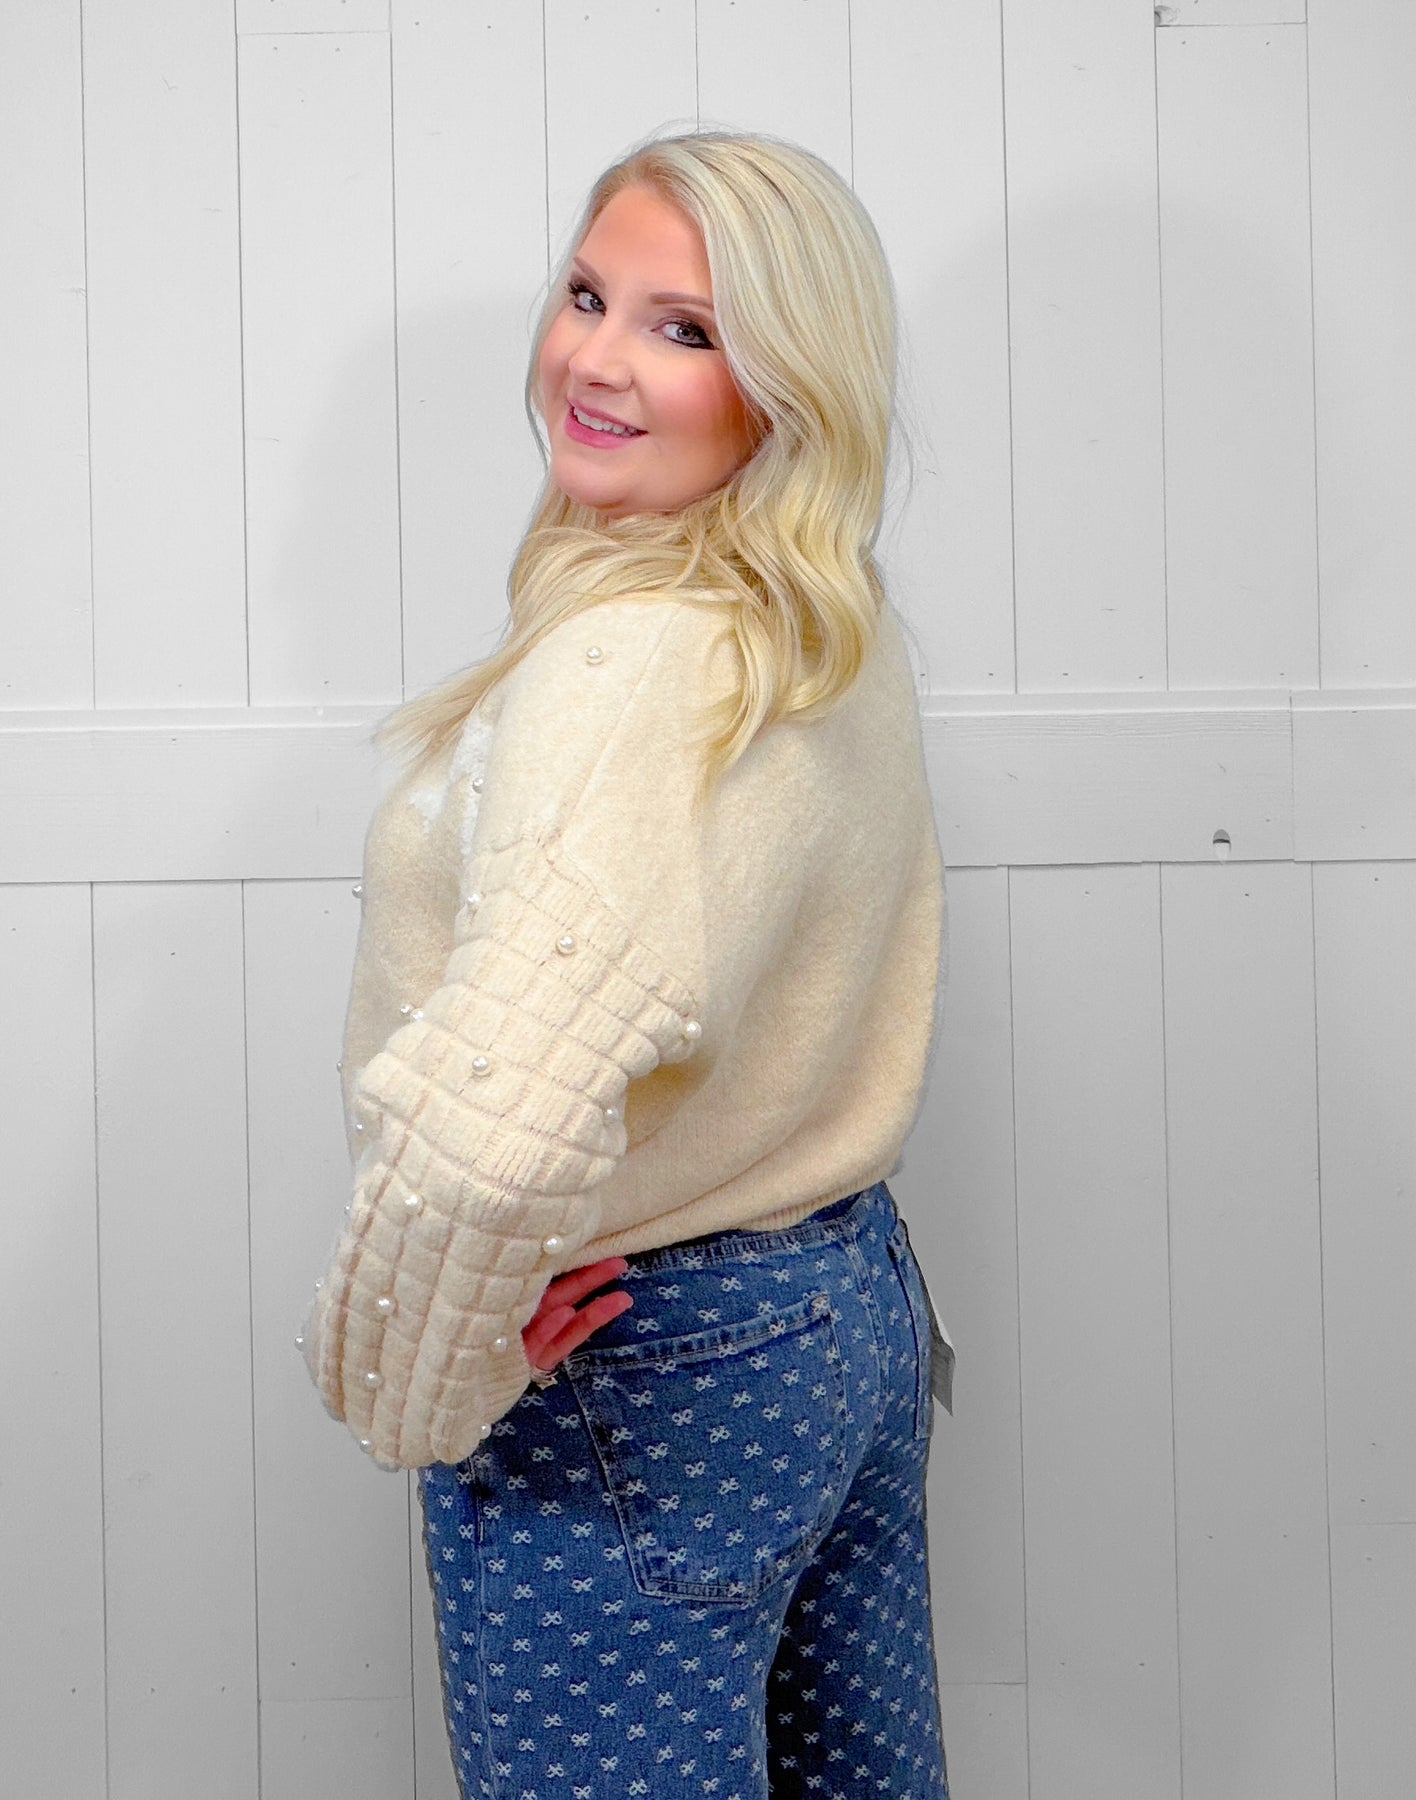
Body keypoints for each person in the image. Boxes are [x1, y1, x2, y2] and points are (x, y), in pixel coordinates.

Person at [301, 127, 953, 1799]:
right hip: (838, 1313)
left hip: (645, 1371)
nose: (596, 359)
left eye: (685, 328)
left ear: (789, 383)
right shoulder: (820, 613)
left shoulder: (632, 663)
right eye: (589, 295)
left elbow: (495, 1129)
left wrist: (410, 1373)